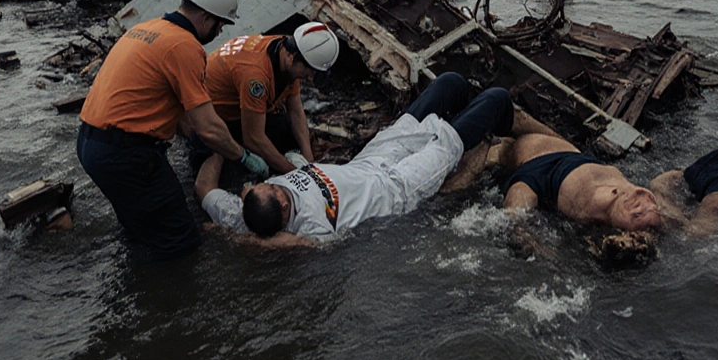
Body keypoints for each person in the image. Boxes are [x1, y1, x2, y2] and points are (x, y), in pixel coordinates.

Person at [197, 72, 514, 243]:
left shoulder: (243, 214)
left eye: (264, 185)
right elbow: (289, 246)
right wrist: (253, 244)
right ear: (281, 206)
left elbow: (204, 188)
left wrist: (222, 143)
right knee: (497, 100)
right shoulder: (312, 230)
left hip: (371, 159)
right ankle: (505, 132)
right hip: (398, 188)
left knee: (451, 83)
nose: (276, 184)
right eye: (276, 189)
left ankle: (471, 122)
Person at [76, 0, 258, 260]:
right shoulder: (185, 46)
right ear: (206, 18)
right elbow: (209, 127)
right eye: (221, 24)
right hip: (126, 156)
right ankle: (167, 297)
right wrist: (243, 157)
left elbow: (174, 109)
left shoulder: (147, 28)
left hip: (91, 144)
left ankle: (133, 285)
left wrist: (195, 137)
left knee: (140, 228)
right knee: (180, 240)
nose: (220, 32)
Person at [190, 22, 341, 178]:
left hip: (245, 108)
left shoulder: (284, 50)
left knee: (289, 133)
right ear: (291, 57)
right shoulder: (256, 77)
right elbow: (253, 138)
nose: (311, 77)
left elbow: (295, 110)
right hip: (215, 117)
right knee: (223, 171)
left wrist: (308, 158)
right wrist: (294, 173)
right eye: (310, 71)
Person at [445, 126, 665, 232]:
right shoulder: (524, 172)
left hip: (558, 164)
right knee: (513, 220)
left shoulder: (623, 196)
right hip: (554, 165)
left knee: (513, 220)